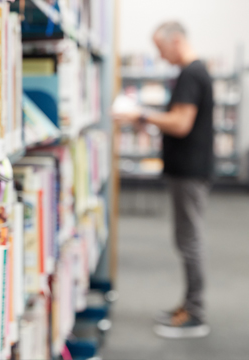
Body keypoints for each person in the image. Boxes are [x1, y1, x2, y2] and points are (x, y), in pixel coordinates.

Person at [113, 21, 213, 339]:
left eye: (160, 47)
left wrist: (141, 114)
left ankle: (195, 313)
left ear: (177, 40)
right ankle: (189, 305)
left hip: (190, 172)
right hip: (188, 170)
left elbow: (182, 124)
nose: (159, 54)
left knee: (189, 241)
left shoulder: (191, 74)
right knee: (186, 239)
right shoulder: (192, 73)